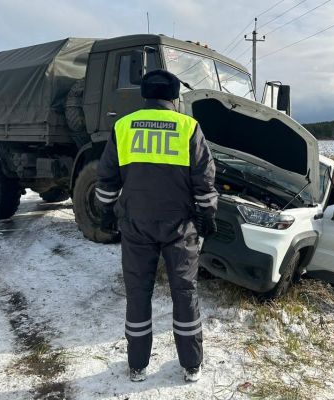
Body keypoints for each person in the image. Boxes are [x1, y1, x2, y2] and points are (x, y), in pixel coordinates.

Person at [95, 69, 218, 383]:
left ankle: (137, 365)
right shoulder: (188, 127)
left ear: (145, 95)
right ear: (175, 97)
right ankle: (191, 365)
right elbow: (203, 181)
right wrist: (208, 216)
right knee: (184, 293)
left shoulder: (123, 126)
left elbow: (107, 177)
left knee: (138, 294)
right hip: (180, 226)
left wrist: (106, 211)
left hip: (136, 226)